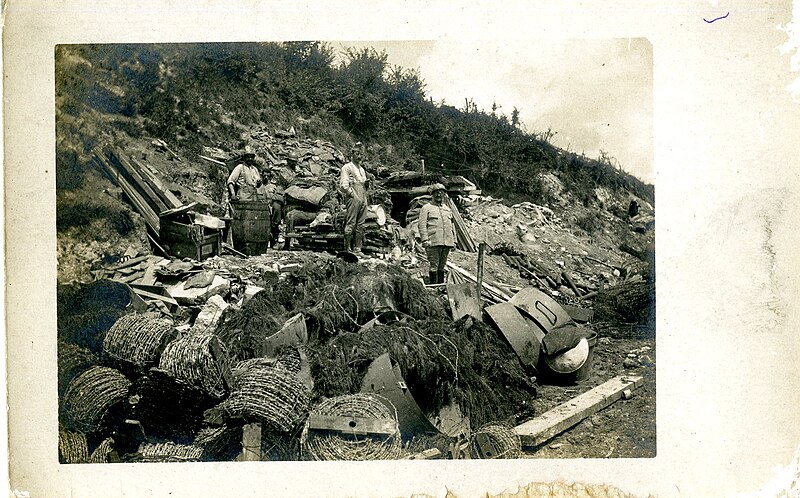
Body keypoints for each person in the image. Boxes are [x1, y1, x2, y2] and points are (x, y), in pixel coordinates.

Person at [418, 183, 455, 284]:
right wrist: (425, 239)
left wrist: (454, 240)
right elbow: (422, 225)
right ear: (432, 195)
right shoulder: (426, 208)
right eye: (437, 193)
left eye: (441, 193)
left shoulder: (447, 209)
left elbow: (452, 226)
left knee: (442, 266)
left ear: (444, 195)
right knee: (434, 265)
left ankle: (441, 287)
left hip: (446, 242)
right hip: (433, 241)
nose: (439, 195)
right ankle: (434, 288)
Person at [339, 143, 369, 254]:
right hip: (353, 196)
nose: (359, 156)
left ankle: (357, 248)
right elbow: (343, 185)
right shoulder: (347, 167)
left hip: (363, 196)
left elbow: (364, 183)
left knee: (360, 224)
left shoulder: (362, 170)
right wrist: (351, 193)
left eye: (361, 154)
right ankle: (347, 249)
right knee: (351, 222)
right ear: (352, 154)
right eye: (357, 153)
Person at [264, 169, 285, 249]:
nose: (266, 177)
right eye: (264, 175)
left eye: (267, 176)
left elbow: (278, 197)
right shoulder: (259, 185)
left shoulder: (274, 186)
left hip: (271, 206)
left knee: (274, 225)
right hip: (262, 206)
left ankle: (274, 241)